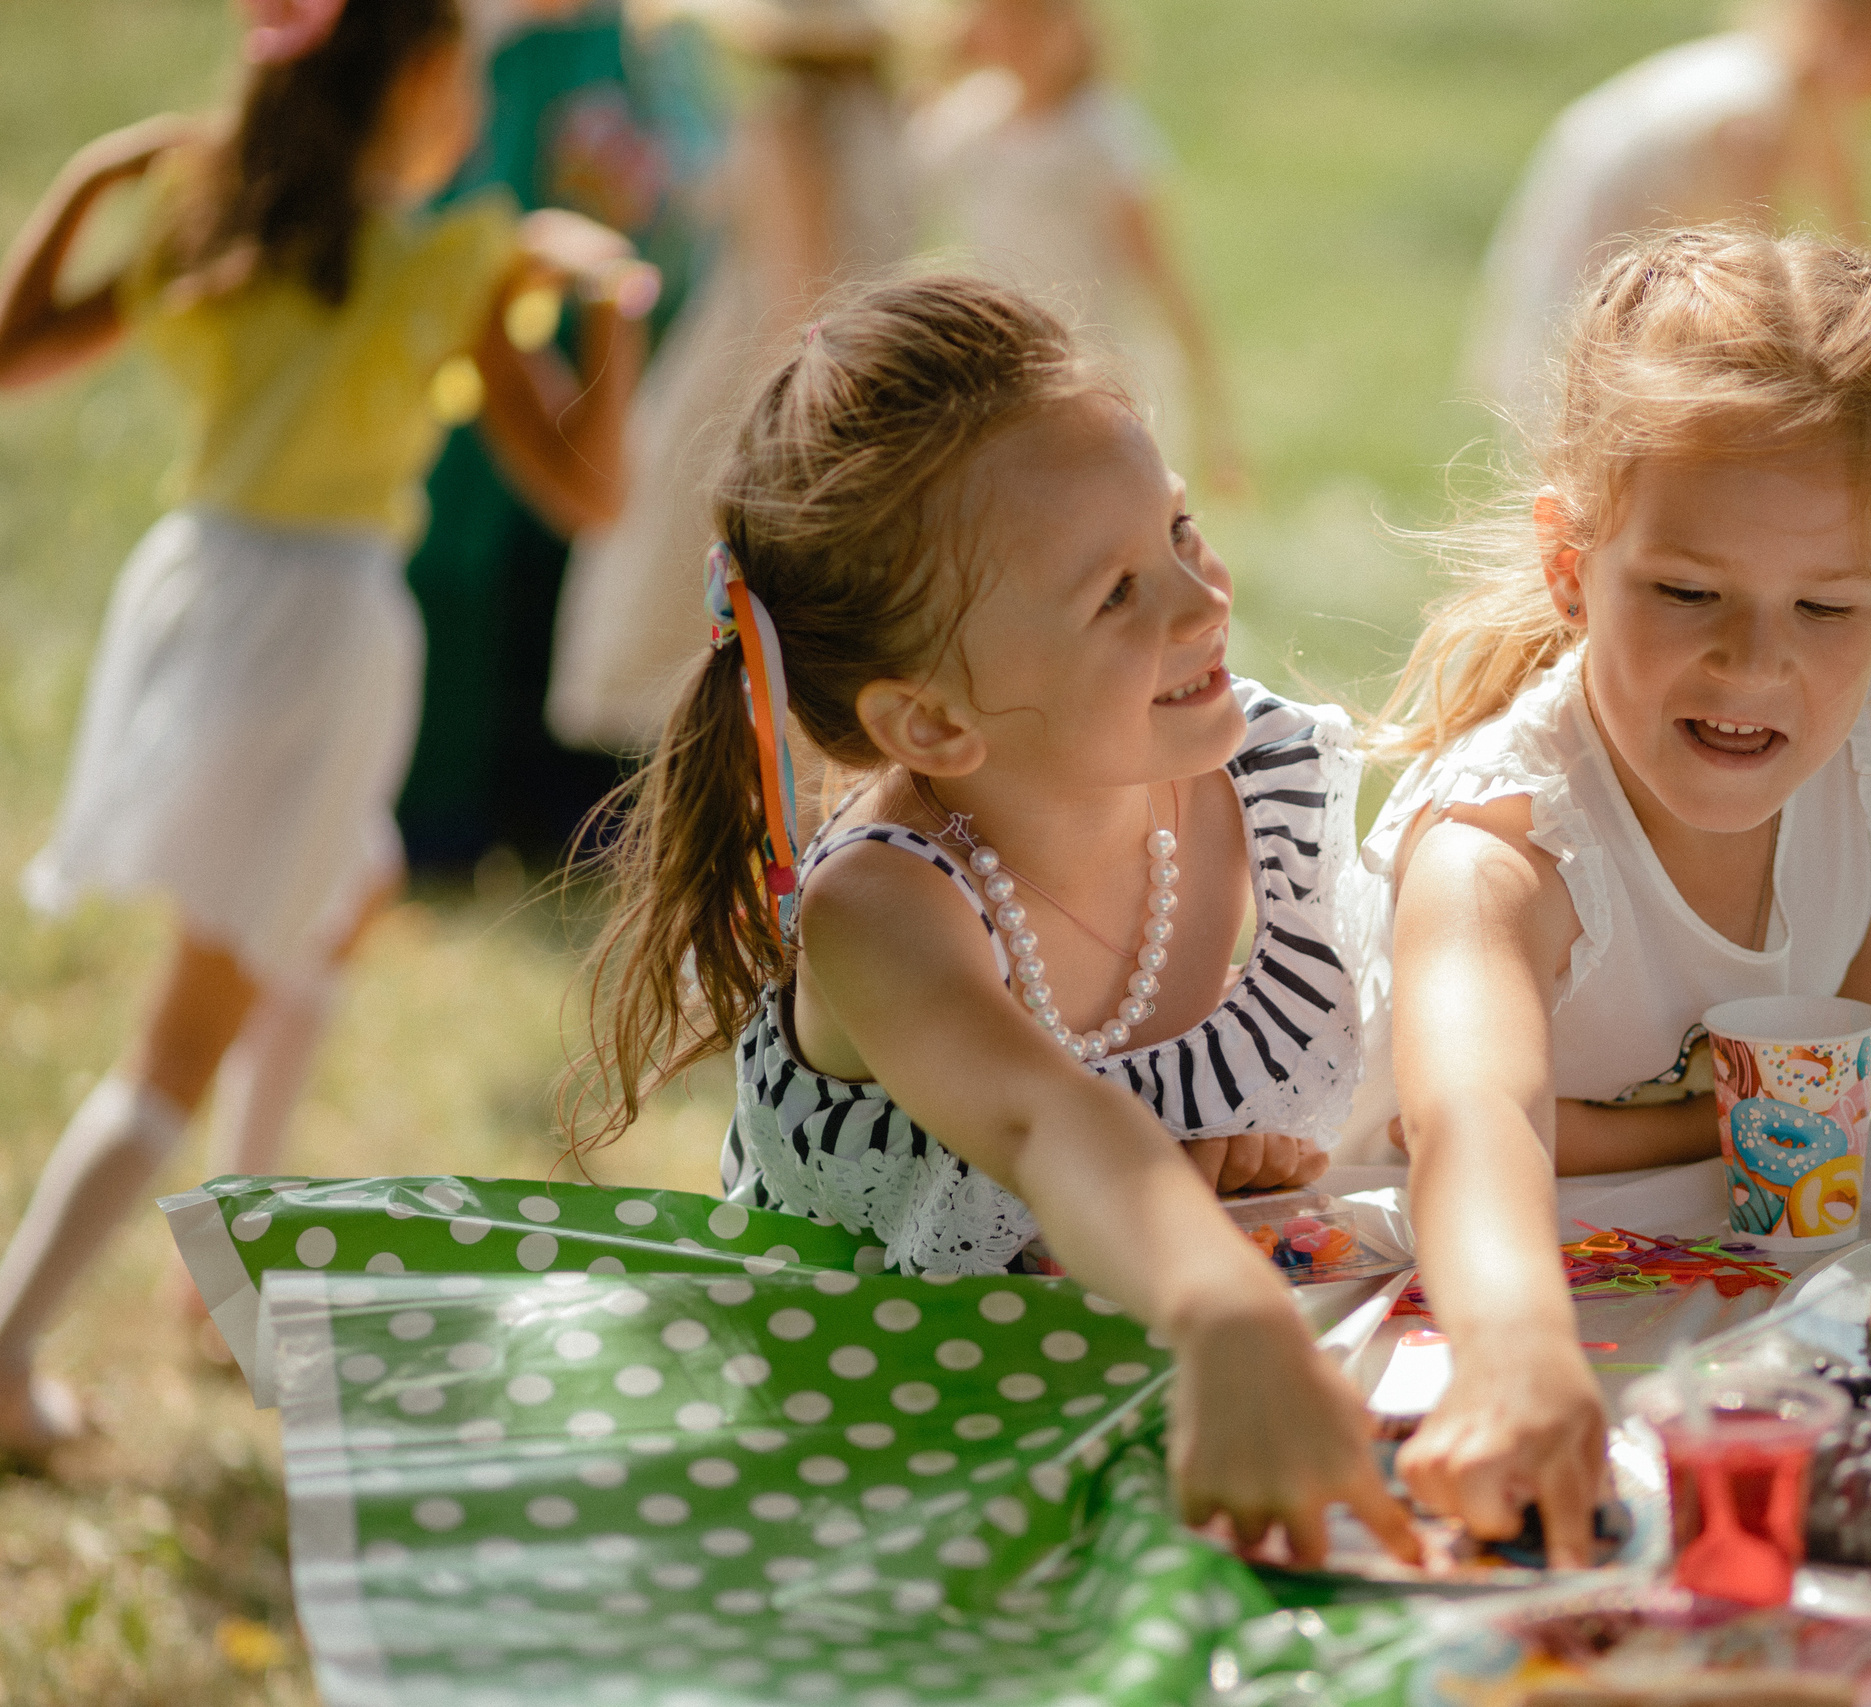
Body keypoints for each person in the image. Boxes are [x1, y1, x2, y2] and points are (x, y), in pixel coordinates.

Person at [158, 276, 1411, 1694]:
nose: (1201, 594)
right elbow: (1043, 1123)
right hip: (861, 1455)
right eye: (1119, 590)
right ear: (928, 718)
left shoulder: (1259, 784)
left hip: (1126, 1397)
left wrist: (1235, 1170)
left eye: (1178, 528)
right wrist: (1220, 1306)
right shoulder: (886, 912)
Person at [0, 0, 655, 1465]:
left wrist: (96, 178)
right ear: (422, 81)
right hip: (315, 641)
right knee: (181, 1032)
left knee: (345, 889)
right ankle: (8, 1344)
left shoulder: (220, 225)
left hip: (200, 595)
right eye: (466, 74)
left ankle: (220, 1260)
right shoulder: (454, 262)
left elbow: (10, 351)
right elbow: (593, 491)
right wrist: (614, 309)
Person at [1354, 225, 1871, 1558]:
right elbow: (1466, 1124)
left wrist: (1701, 1137)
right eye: (1689, 591)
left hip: (1716, 1284)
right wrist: (1515, 1352)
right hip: (1469, 1301)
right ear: (1573, 564)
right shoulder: (1503, 849)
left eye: (1828, 607)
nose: (1755, 663)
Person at [396, 0, 723, 868]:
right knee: (468, 541)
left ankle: (569, 788)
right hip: (495, 281)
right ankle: (444, 801)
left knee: (593, 550)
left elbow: (689, 149)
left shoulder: (642, 35)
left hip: (612, 298)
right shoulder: (478, 44)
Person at [548, 0, 918, 755]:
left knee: (725, 598)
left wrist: (782, 433)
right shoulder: (886, 120)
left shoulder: (787, 124)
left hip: (766, 370)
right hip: (863, 364)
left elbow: (797, 297)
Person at [1465, 0, 1871, 423]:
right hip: (1588, 315)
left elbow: (1852, 225)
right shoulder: (1748, 114)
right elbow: (1762, 278)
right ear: (1837, 31)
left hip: (1622, 291)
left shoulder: (1776, 78)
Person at [910, 0, 1246, 494]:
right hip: (1011, 371)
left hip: (1098, 371)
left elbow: (1163, 278)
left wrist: (1218, 429)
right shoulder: (971, 118)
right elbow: (908, 173)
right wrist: (942, 61)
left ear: (1070, 27)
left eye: (1027, 20)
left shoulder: (1102, 137)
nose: (1007, 32)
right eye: (994, 15)